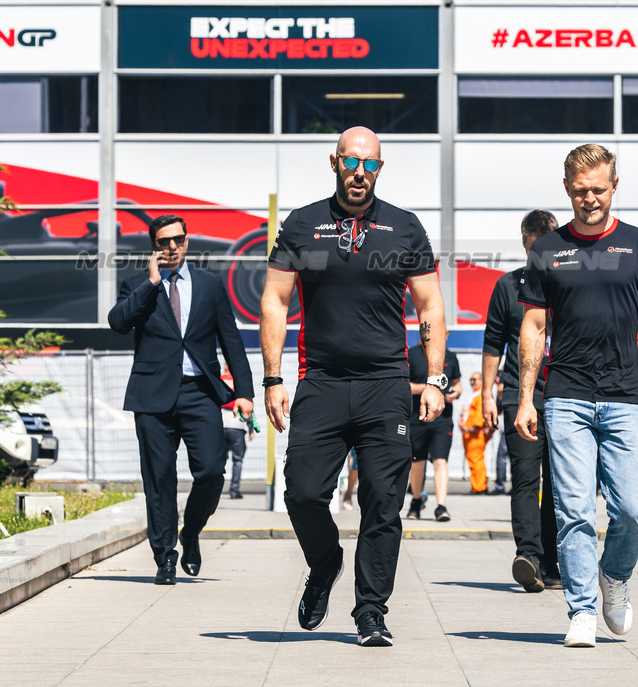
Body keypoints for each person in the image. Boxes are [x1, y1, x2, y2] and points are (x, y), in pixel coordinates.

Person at [260, 126, 448, 648]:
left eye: (370, 165)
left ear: (380, 170)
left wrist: (433, 378)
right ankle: (324, 565)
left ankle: (371, 612)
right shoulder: (302, 224)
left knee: (384, 503)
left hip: (385, 384)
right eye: (351, 162)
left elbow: (430, 305)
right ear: (335, 162)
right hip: (319, 380)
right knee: (301, 491)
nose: (360, 172)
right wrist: (273, 377)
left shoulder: (405, 228)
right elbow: (275, 300)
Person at [516, 144, 638, 648]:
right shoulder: (547, 250)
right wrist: (526, 397)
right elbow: (534, 325)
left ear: (614, 187)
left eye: (599, 189)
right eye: (581, 190)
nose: (590, 198)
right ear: (568, 188)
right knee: (574, 509)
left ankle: (614, 576)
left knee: (634, 508)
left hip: (626, 396)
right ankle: (582, 609)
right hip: (565, 396)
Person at [107, 214, 254, 585]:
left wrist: (245, 393)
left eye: (178, 240)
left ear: (187, 241)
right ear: (153, 247)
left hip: (199, 392)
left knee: (211, 470)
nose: (171, 247)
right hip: (151, 395)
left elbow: (231, 341)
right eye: (163, 242)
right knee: (159, 479)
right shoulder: (137, 284)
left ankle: (190, 533)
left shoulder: (210, 285)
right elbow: (118, 322)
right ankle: (165, 557)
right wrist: (151, 284)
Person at [481, 209, 561, 594]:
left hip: (564, 398)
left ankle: (552, 562)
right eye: (533, 250)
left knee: (561, 484)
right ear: (524, 242)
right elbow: (493, 344)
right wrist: (487, 396)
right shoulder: (507, 286)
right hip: (518, 396)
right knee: (526, 479)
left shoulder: (568, 283)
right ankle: (528, 556)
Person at [406, 345, 461, 521]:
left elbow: (458, 384)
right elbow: (405, 385)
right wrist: (431, 388)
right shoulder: (413, 355)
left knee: (440, 460)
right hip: (418, 417)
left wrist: (456, 393)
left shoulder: (450, 356)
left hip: (443, 419)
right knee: (417, 463)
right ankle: (415, 502)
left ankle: (441, 506)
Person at [460, 373, 491, 493]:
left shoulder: (481, 394)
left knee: (476, 460)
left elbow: (480, 411)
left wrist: (475, 425)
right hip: (469, 433)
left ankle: (479, 488)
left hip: (475, 433)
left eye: (475, 379)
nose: (472, 382)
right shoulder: (476, 394)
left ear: (482, 380)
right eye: (470, 379)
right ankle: (477, 486)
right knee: (474, 460)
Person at [221, 401, 251, 500]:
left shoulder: (221, 391)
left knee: (220, 460)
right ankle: (234, 490)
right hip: (237, 427)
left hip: (221, 427)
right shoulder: (242, 394)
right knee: (238, 460)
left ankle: (214, 489)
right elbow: (249, 412)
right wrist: (252, 429)